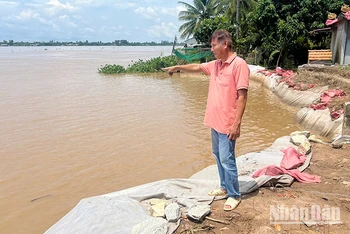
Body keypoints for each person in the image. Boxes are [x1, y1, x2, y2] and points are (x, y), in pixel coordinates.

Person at [162, 30, 249, 211]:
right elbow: (197, 67)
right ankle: (224, 186)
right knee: (218, 156)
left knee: (227, 159)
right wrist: (177, 68)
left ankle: (234, 195)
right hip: (215, 121)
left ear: (224, 44)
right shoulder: (216, 65)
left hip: (227, 124)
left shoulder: (239, 65)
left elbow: (242, 96)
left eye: (213, 46)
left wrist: (236, 123)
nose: (211, 50)